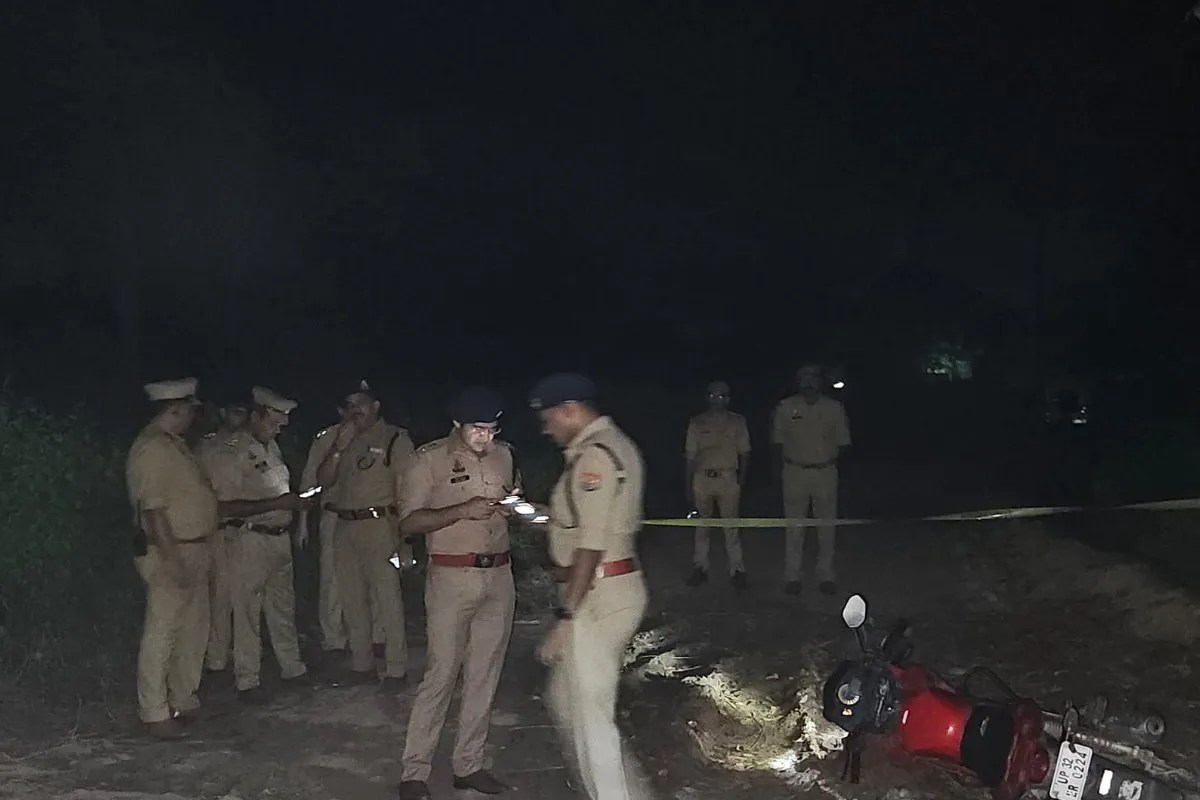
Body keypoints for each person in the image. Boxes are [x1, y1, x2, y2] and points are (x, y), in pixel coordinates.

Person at [530, 372, 652, 800]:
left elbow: (591, 545)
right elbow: (587, 519)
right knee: (565, 700)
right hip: (609, 586)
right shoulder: (612, 445)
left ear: (570, 410)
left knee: (592, 718)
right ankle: (625, 791)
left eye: (548, 419)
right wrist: (543, 515)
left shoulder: (594, 457)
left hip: (599, 595)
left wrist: (566, 616)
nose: (546, 429)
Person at [397, 386, 519, 800]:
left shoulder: (505, 455)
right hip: (451, 577)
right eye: (477, 429)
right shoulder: (428, 460)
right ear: (456, 425)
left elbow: (512, 496)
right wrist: (461, 511)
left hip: (499, 576)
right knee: (441, 673)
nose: (486, 436)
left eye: (492, 428)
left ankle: (469, 765)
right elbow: (409, 522)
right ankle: (414, 771)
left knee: (484, 674)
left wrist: (514, 508)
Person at [199, 386, 311, 702]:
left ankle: (293, 668)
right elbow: (223, 507)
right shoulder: (230, 452)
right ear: (256, 416)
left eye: (281, 424)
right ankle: (247, 679)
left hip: (279, 539)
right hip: (249, 539)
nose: (278, 429)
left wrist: (294, 505)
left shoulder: (270, 448)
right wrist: (277, 504)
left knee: (282, 606)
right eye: (273, 423)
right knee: (246, 610)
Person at [126, 377, 218, 739]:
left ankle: (183, 699)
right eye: (188, 411)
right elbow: (153, 512)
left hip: (193, 546)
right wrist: (173, 559)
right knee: (162, 631)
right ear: (175, 409)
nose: (192, 418)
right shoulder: (152, 448)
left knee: (193, 627)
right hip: (169, 549)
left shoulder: (174, 445)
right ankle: (154, 710)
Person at [315, 379, 414, 690]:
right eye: (349, 405)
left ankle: (396, 669)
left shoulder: (394, 438)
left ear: (376, 406)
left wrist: (405, 539)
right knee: (351, 598)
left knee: (387, 599)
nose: (354, 410)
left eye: (360, 403)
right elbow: (323, 481)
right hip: (345, 526)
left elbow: (407, 491)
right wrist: (337, 449)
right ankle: (362, 664)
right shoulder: (342, 439)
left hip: (380, 525)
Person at [298, 403, 386, 660]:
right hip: (335, 515)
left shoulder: (380, 437)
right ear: (340, 410)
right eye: (349, 407)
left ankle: (377, 636)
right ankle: (334, 639)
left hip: (371, 516)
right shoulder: (327, 438)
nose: (355, 413)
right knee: (332, 580)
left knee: (375, 577)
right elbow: (309, 481)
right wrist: (302, 523)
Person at [770, 364, 851, 596]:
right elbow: (777, 442)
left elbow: (844, 443)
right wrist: (779, 470)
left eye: (813, 378)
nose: (808, 383)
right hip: (794, 471)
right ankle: (792, 576)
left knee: (827, 526)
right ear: (797, 382)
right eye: (803, 378)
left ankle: (826, 575)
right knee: (794, 527)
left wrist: (830, 462)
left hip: (825, 471)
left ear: (820, 381)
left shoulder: (834, 408)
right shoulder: (786, 407)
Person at [194, 399, 249, 678]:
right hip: (219, 528)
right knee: (219, 597)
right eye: (235, 410)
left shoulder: (254, 445)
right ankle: (216, 660)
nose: (240, 416)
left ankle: (245, 661)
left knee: (246, 599)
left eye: (244, 411)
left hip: (249, 528)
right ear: (224, 412)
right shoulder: (206, 447)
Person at [684, 380, 751, 590]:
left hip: (728, 477)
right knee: (701, 527)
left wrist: (742, 480)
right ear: (707, 398)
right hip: (702, 478)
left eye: (721, 396)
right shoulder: (697, 423)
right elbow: (690, 457)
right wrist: (688, 485)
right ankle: (700, 568)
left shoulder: (737, 422)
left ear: (728, 399)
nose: (716, 400)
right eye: (712, 395)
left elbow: (745, 453)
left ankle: (737, 570)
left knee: (731, 527)